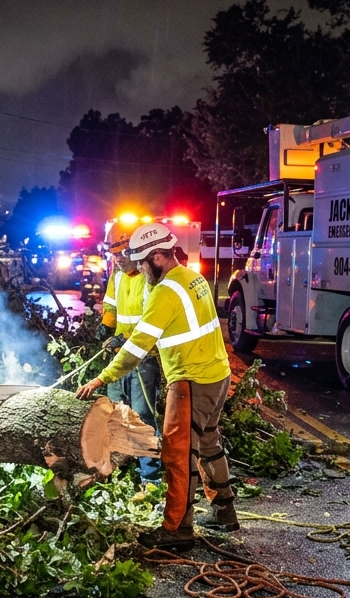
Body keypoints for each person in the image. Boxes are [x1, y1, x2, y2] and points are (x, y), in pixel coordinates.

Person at [75, 222, 237, 549]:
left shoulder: (165, 291)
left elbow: (136, 348)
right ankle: (225, 511)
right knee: (209, 443)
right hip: (217, 375)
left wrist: (102, 378)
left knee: (178, 455)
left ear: (158, 257)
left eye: (143, 264)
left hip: (191, 381)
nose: (140, 271)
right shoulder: (192, 278)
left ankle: (177, 529)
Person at [98, 223, 162, 484]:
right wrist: (106, 326)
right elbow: (111, 306)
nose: (118, 260)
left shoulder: (149, 280)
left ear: (134, 251)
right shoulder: (117, 276)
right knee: (115, 413)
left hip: (143, 358)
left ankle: (151, 477)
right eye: (114, 255)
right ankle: (120, 468)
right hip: (120, 356)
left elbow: (150, 322)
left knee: (142, 417)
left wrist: (123, 337)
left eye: (122, 254)